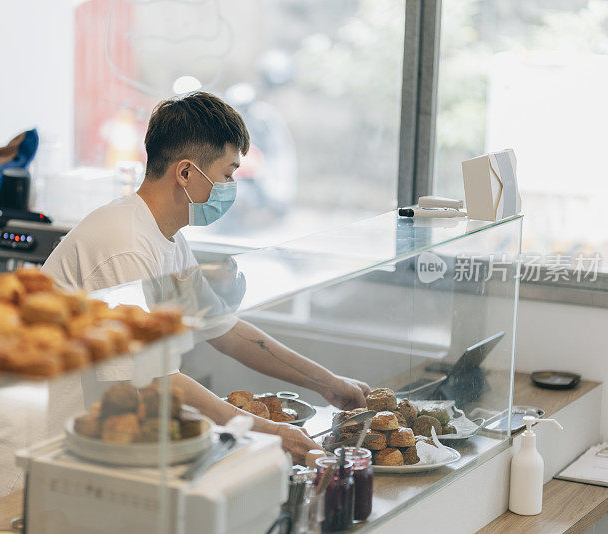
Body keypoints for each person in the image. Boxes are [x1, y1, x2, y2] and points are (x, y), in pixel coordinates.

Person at [42, 92, 371, 461]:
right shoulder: (125, 245)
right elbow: (154, 378)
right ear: (185, 173)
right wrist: (265, 431)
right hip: (38, 453)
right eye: (228, 174)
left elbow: (223, 329)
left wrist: (329, 384)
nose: (232, 186)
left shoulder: (164, 236)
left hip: (90, 446)